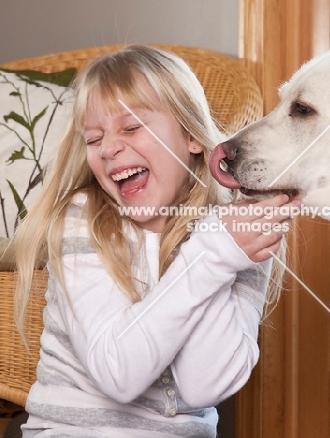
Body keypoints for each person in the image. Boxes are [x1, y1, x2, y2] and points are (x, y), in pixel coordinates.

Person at [13, 44, 298, 437]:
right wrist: (212, 254)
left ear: (191, 136)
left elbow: (203, 386)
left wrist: (219, 251)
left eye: (131, 128)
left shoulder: (233, 236)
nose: (110, 148)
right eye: (94, 139)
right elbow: (119, 373)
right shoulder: (83, 220)